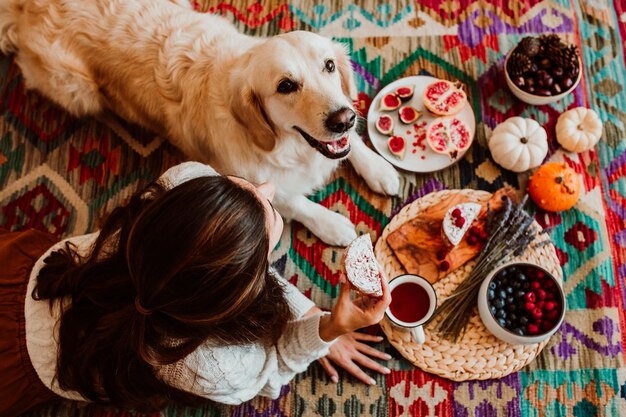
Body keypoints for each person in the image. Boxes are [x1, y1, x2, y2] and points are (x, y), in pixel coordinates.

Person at [0, 162, 392, 415]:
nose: (270, 185)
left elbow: (224, 270)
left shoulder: (186, 181)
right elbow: (269, 375)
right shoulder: (214, 368)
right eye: (270, 215)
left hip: (20, 267)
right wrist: (327, 331)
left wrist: (307, 312)